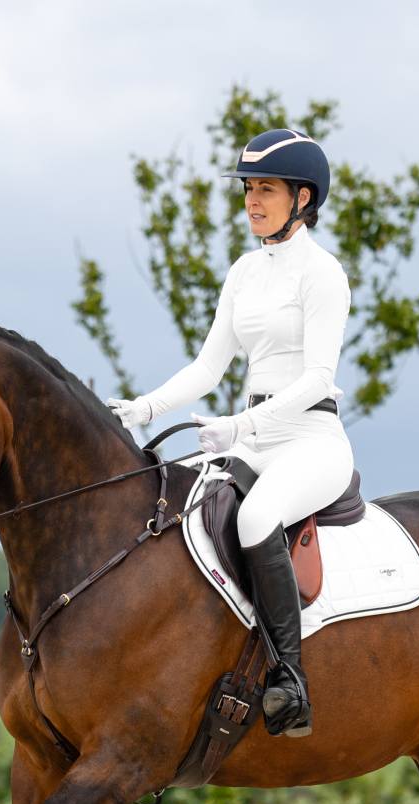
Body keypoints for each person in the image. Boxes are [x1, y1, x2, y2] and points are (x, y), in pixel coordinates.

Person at [109, 129, 354, 738]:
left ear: (302, 198)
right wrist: (142, 409)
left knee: (251, 520)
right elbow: (207, 367)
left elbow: (318, 376)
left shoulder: (323, 275)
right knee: (188, 517)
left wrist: (242, 423)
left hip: (310, 440)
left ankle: (290, 682)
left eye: (265, 189)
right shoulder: (245, 273)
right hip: (253, 440)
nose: (251, 201)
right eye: (248, 189)